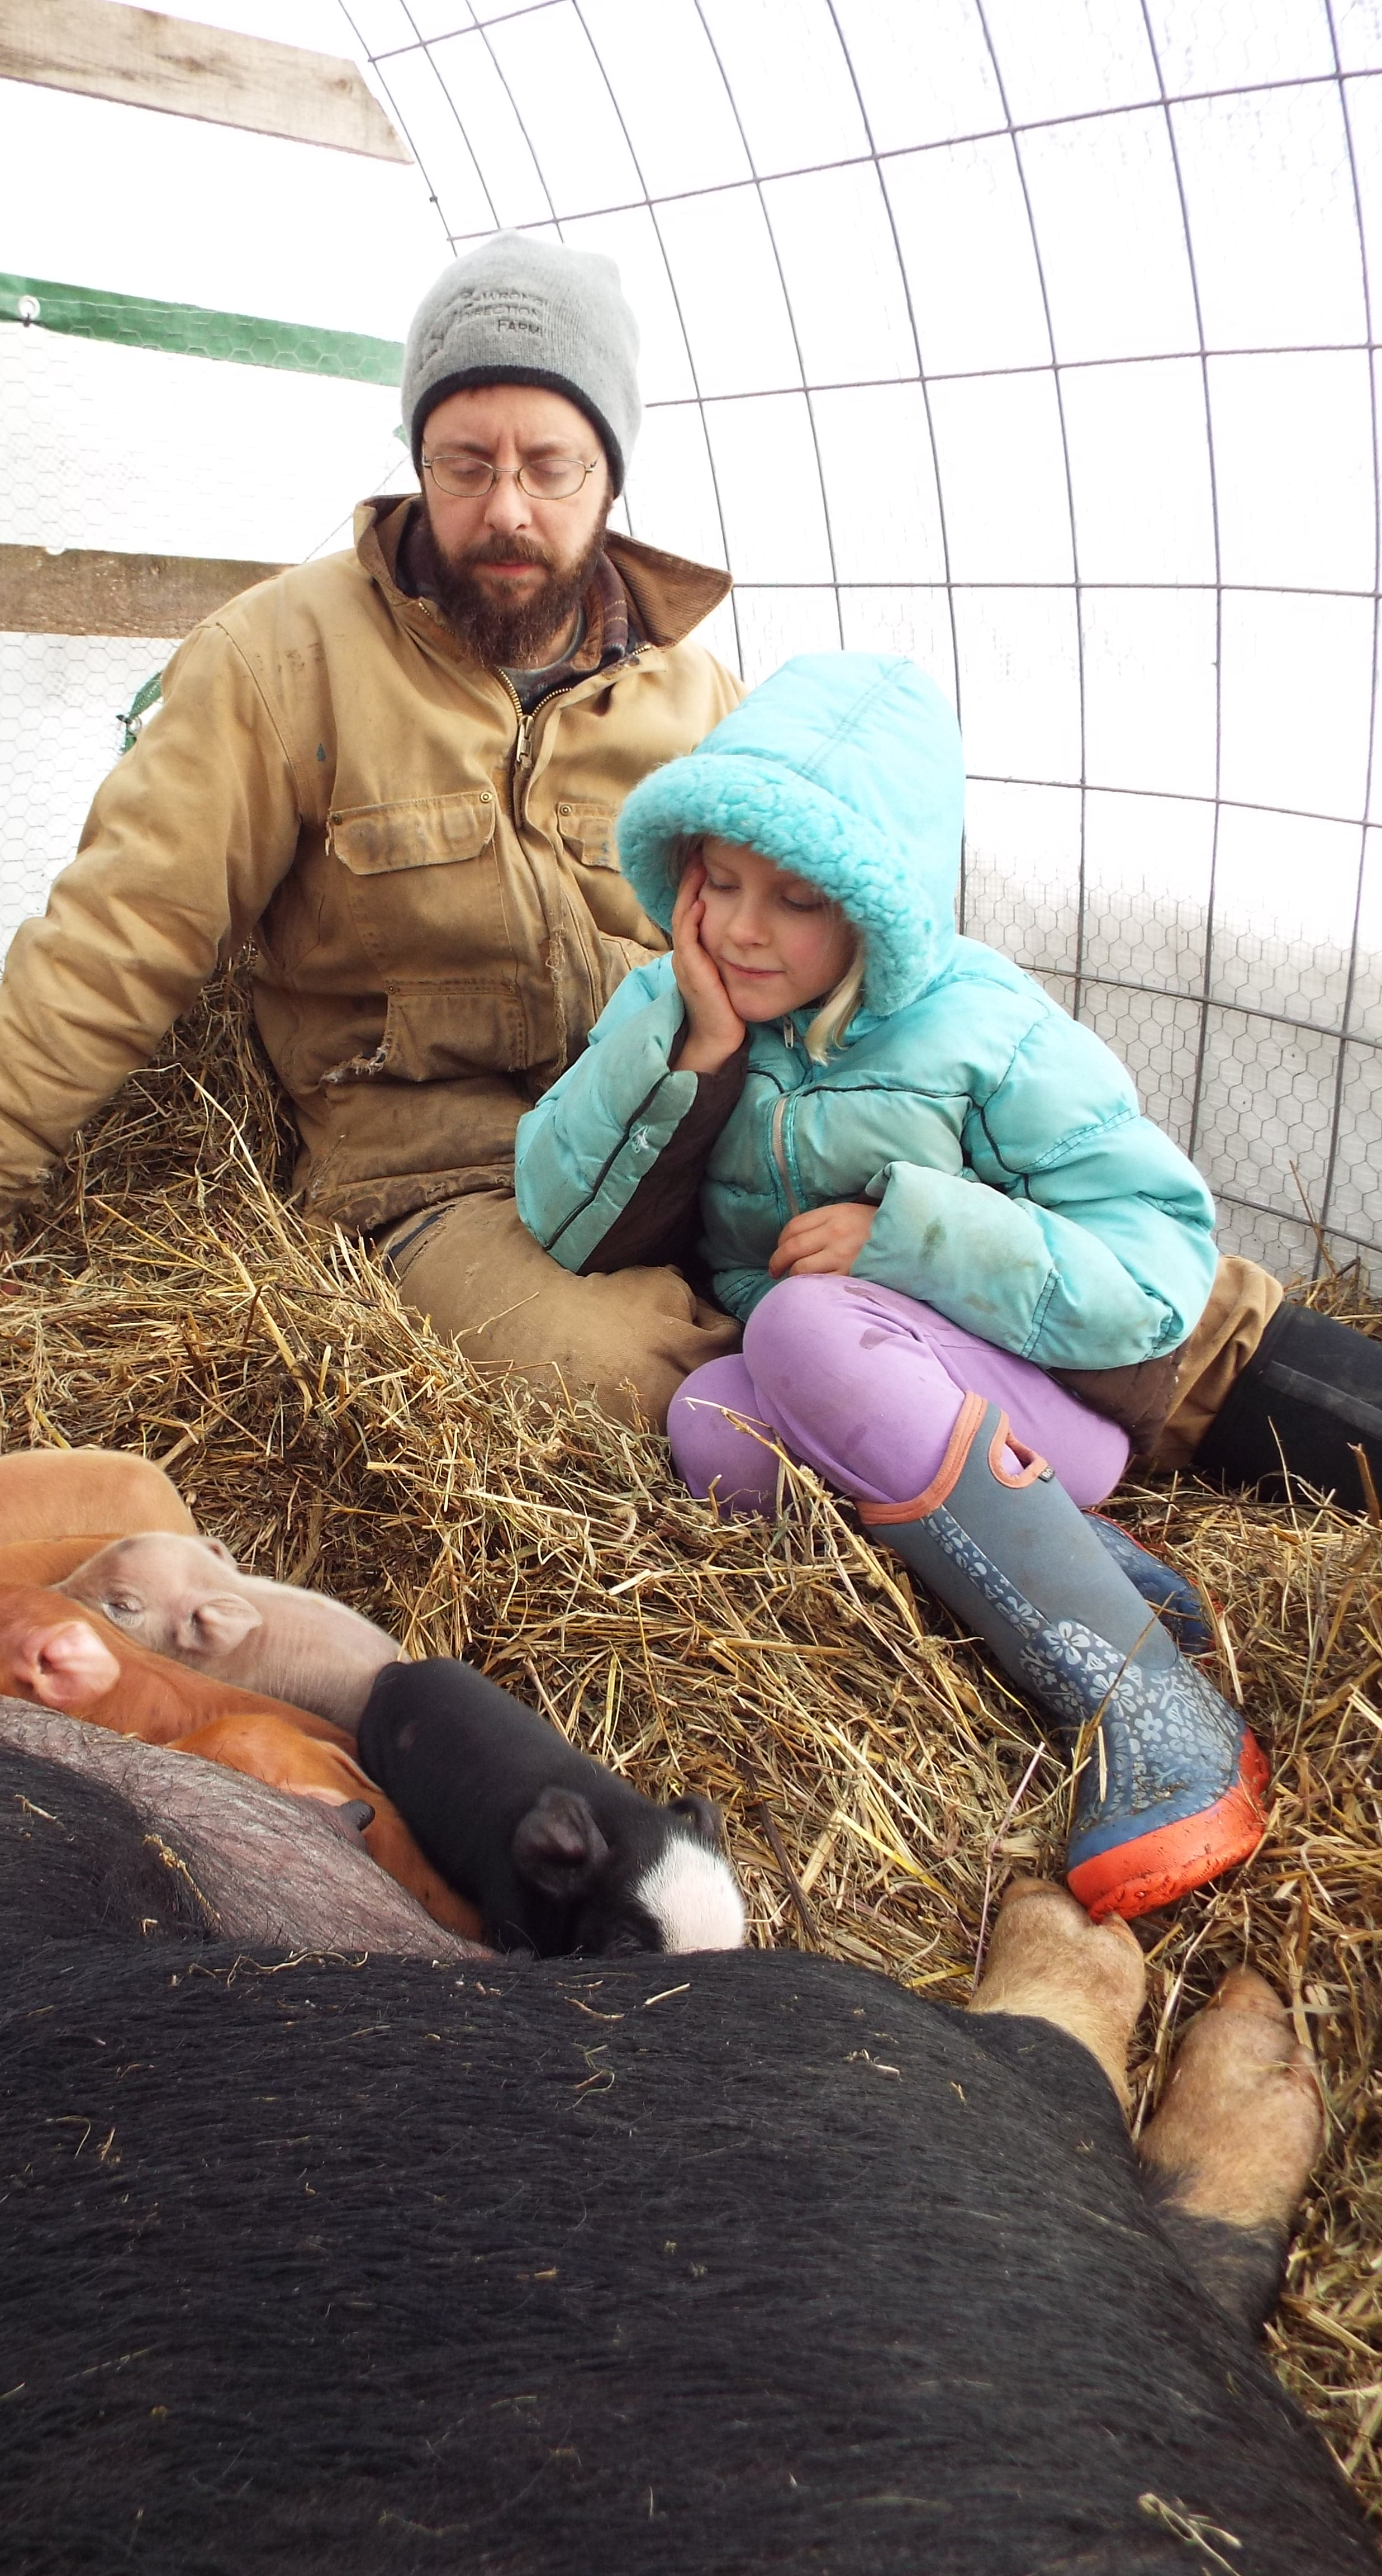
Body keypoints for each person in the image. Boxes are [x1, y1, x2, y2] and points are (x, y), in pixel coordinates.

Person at [514, 652, 1378, 1923]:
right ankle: (1080, 1565)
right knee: (713, 1431)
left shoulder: (987, 1031)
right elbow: (557, 1211)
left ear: (878, 905)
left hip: (1045, 1394)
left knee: (802, 1320)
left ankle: (1150, 1700)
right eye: (722, 881)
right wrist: (687, 1045)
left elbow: (1156, 1261)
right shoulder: (676, 1002)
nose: (745, 928)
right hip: (876, 1397)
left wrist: (910, 1236)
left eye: (798, 899)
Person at [0, 233, 745, 1424]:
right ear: (415, 462)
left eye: (550, 467)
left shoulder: (700, 697)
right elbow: (118, 936)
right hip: (441, 1178)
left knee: (901, 1310)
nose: (505, 508)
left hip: (675, 1142)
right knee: (637, 1388)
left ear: (610, 476)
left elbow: (827, 947)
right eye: (463, 463)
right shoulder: (281, 659)